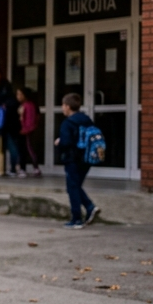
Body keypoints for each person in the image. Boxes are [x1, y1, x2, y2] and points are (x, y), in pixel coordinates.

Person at [55, 93, 99, 229]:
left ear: (67, 107)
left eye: (63, 105)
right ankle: (90, 207)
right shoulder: (86, 120)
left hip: (72, 159)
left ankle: (76, 219)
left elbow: (66, 142)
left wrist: (59, 142)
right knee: (76, 185)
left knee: (72, 187)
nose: (62, 108)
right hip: (87, 158)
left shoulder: (67, 123)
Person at [15, 87, 42, 178]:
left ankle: (35, 167)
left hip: (27, 131)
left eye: (20, 94)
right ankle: (23, 168)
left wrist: (26, 130)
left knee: (29, 148)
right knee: (23, 149)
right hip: (23, 130)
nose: (18, 96)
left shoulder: (29, 105)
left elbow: (30, 120)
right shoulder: (22, 105)